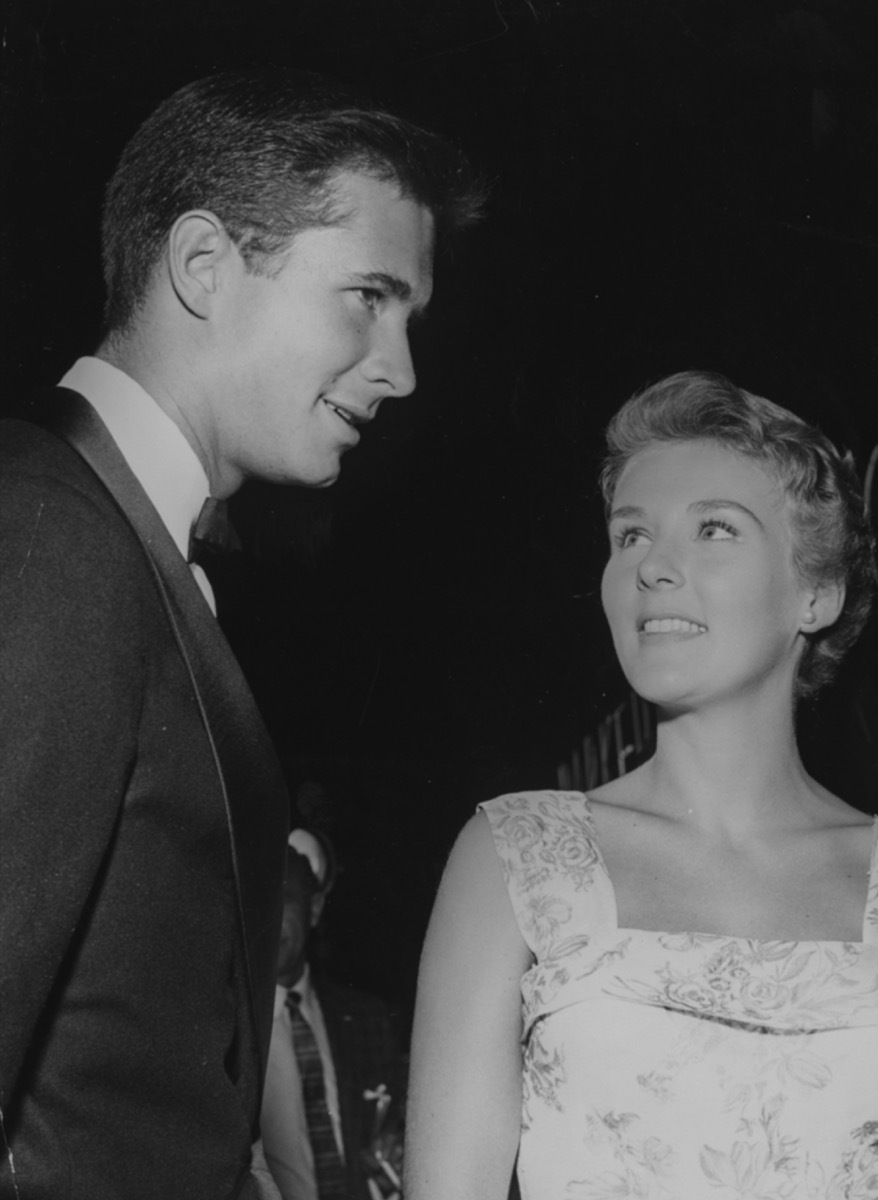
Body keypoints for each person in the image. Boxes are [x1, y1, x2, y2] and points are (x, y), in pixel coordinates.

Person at [0, 68, 480, 1200]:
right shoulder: (47, 534)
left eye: (410, 315)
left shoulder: (114, 544)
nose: (401, 370)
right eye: (367, 295)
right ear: (204, 266)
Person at [405, 371, 878, 1200]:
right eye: (630, 536)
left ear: (816, 592)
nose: (654, 566)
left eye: (714, 529)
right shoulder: (517, 855)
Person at [261, 829, 405, 1200]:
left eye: (285, 898)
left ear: (314, 908)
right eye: (255, 902)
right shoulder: (224, 1034)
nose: (268, 917)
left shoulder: (367, 1019)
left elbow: (398, 1123)